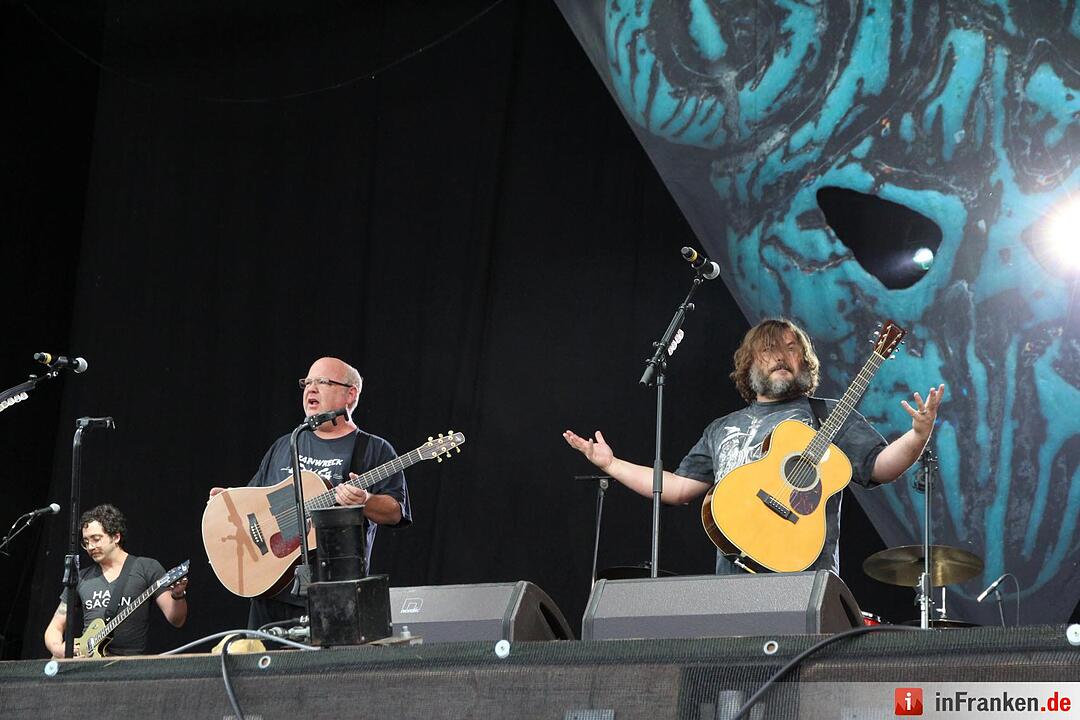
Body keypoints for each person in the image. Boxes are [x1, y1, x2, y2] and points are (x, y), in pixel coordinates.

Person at [563, 318, 944, 575]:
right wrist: (612, 464)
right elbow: (677, 489)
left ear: (805, 361)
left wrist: (917, 435)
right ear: (749, 365)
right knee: (732, 691)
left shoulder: (827, 414)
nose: (781, 355)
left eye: (792, 348)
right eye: (768, 349)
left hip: (804, 576)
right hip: (733, 579)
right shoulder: (721, 428)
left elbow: (880, 467)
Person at [210, 356, 411, 629]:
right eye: (308, 382)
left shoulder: (373, 449)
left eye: (323, 382)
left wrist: (365, 501)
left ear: (350, 394)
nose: (311, 389)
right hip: (271, 591)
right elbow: (257, 502)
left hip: (335, 595)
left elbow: (395, 512)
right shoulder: (286, 444)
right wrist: (230, 502)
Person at [43, 504, 188, 657]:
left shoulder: (147, 567)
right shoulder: (80, 577)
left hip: (129, 666)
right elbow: (55, 627)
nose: (90, 546)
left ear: (116, 537)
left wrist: (178, 596)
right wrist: (58, 649)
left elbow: (176, 620)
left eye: (96, 539)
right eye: (86, 542)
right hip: (87, 665)